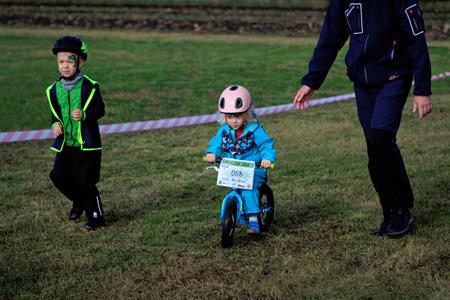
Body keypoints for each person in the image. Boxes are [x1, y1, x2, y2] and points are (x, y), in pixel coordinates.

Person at [293, 0, 432, 238]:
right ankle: (389, 210)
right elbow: (330, 38)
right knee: (374, 146)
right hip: (363, 82)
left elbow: (416, 38)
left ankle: (401, 208)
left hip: (394, 76)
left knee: (381, 138)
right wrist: (311, 81)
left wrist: (422, 89)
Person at [47, 35, 106, 230]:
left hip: (86, 144)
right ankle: (79, 201)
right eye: (61, 62)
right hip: (66, 143)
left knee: (85, 181)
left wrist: (85, 114)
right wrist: (55, 124)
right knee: (58, 176)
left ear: (80, 61)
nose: (65, 66)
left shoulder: (90, 87)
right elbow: (55, 114)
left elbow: (100, 110)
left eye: (70, 61)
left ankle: (96, 219)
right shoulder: (54, 90)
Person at [206, 85, 277, 234]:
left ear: (246, 114)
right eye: (229, 116)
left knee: (247, 191)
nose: (233, 121)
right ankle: (231, 215)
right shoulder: (224, 130)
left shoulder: (255, 130)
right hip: (233, 167)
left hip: (254, 168)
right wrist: (212, 152)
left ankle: (253, 220)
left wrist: (267, 158)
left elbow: (266, 144)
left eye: (237, 116)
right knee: (234, 188)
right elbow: (216, 142)